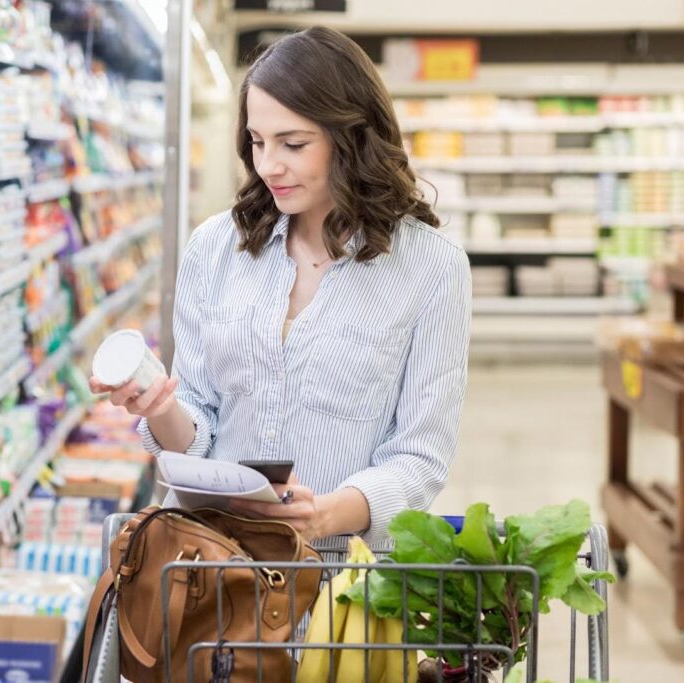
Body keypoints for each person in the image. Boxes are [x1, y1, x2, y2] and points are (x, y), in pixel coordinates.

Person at [89, 27, 471, 546]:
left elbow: (420, 457)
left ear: (352, 137)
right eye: (257, 141)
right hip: (213, 572)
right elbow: (196, 427)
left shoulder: (431, 268)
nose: (268, 165)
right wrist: (161, 410)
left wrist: (329, 514)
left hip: (340, 581)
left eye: (293, 144)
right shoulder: (215, 248)